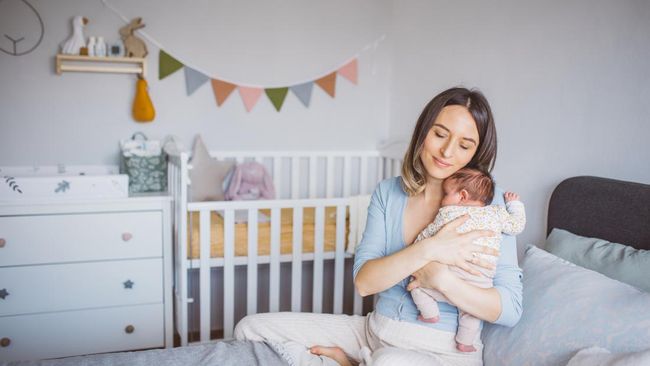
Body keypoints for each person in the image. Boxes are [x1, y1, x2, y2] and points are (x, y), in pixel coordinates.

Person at [234, 87, 523, 366]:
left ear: (476, 152)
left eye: (464, 145)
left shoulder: (489, 206)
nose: (447, 151)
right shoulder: (388, 192)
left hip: (444, 353)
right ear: (423, 132)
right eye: (439, 134)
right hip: (374, 333)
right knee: (250, 329)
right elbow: (364, 282)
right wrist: (430, 249)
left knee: (390, 363)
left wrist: (441, 279)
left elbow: (509, 309)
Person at [410, 167, 526, 353]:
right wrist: (515, 204)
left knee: (417, 288)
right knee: (472, 312)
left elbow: (428, 237)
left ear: (462, 196)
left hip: (452, 271)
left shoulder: (447, 213)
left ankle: (430, 314)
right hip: (481, 278)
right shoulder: (496, 213)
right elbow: (516, 225)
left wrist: (415, 248)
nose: (442, 199)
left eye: (446, 193)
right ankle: (465, 342)